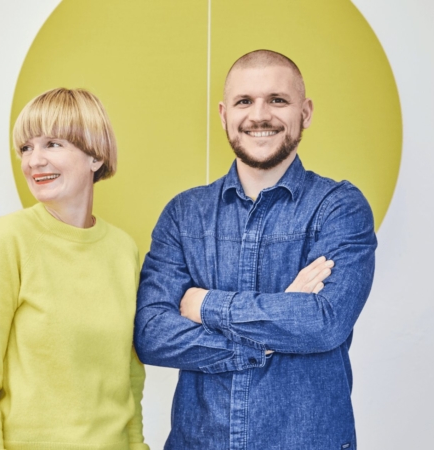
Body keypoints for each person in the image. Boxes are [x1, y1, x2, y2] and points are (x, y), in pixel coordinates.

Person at [135, 50, 377, 449]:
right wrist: (269, 336)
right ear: (223, 114)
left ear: (306, 112)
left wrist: (206, 305)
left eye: (277, 100)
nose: (259, 115)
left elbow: (324, 322)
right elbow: (152, 334)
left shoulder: (339, 207)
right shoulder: (184, 214)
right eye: (244, 101)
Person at [0, 88, 149, 450]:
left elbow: (129, 375)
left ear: (95, 156)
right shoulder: (8, 239)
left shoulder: (122, 249)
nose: (34, 161)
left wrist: (137, 445)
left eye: (52, 144)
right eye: (26, 148)